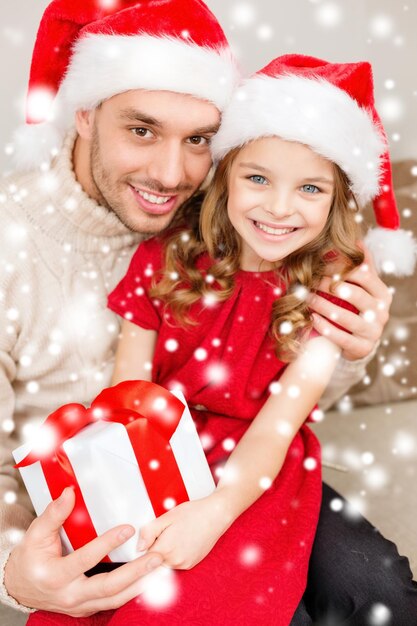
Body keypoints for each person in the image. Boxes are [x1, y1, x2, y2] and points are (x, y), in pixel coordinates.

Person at [0, 0, 406, 620]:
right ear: (82, 114)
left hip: (248, 464)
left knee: (376, 593)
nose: (170, 173)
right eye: (141, 129)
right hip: (99, 481)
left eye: (198, 140)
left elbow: (282, 381)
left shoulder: (228, 211)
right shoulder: (16, 248)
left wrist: (352, 342)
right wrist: (15, 570)